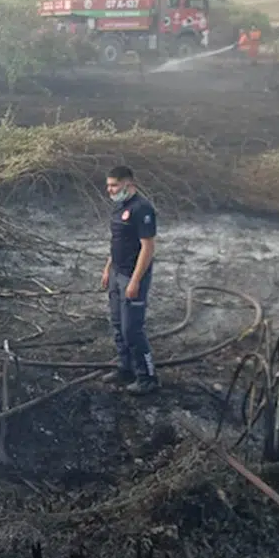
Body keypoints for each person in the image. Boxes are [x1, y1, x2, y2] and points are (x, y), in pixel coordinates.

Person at [100, 166, 159, 394]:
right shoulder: (119, 208)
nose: (110, 190)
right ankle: (125, 369)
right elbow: (117, 242)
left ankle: (148, 378)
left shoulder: (142, 209)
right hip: (117, 273)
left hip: (133, 277)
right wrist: (108, 269)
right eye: (109, 185)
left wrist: (135, 281)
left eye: (114, 185)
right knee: (117, 325)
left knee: (132, 329)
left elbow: (148, 248)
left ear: (129, 184)